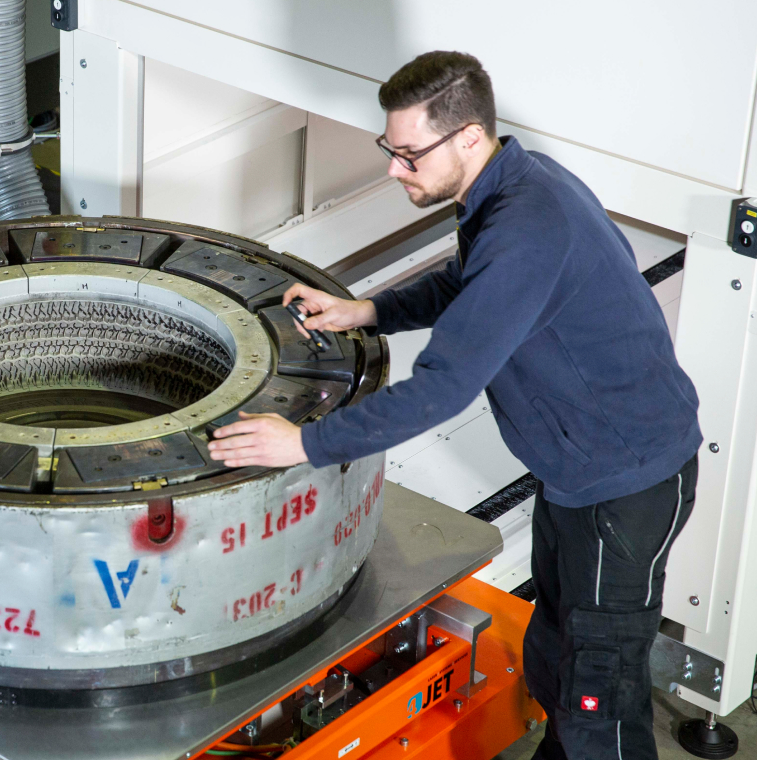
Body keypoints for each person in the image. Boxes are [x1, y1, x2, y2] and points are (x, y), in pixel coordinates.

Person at [205, 51, 701, 760]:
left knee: (599, 702)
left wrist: (303, 445)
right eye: (390, 150)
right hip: (583, 477)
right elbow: (464, 284)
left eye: (408, 155)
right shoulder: (511, 190)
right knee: (560, 661)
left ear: (468, 137)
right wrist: (365, 310)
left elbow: (443, 388)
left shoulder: (529, 228)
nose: (394, 170)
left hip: (623, 489)